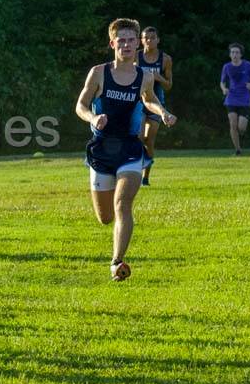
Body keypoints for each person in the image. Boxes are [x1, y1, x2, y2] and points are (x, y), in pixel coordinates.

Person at [75, 18, 176, 281]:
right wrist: (93, 118)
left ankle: (116, 262)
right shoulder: (99, 73)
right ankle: (115, 251)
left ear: (137, 44)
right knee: (105, 217)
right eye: (122, 40)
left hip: (131, 148)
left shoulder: (144, 75)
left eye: (132, 40)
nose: (128, 44)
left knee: (123, 203)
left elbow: (150, 100)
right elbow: (81, 106)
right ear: (112, 43)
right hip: (101, 150)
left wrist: (163, 112)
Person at [137, 27, 172, 185]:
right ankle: (134, 172)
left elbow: (169, 85)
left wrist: (159, 78)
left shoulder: (165, 59)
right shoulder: (135, 57)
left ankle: (146, 177)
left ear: (158, 40)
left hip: (156, 103)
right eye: (146, 38)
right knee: (137, 137)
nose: (149, 41)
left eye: (152, 38)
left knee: (148, 140)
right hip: (138, 101)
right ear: (141, 40)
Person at [220, 43, 250, 155]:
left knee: (241, 128)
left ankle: (241, 134)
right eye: (232, 52)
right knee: (233, 124)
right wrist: (224, 89)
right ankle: (238, 150)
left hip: (244, 98)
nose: (235, 54)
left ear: (241, 54)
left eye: (237, 52)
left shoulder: (248, 65)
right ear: (230, 55)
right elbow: (222, 82)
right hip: (231, 98)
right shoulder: (226, 67)